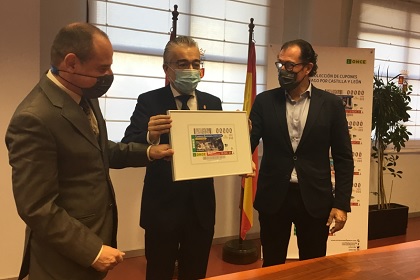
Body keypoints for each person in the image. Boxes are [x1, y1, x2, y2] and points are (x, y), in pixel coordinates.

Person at [5, 22, 173, 280]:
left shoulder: (83, 95)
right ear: (71, 63)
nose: (109, 74)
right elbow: (36, 206)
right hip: (63, 258)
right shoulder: (34, 118)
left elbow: (96, 148)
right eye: (102, 68)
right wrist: (92, 251)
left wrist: (149, 152)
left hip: (92, 238)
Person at [121, 36, 222, 280]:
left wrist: (238, 141)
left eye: (195, 63)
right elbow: (128, 143)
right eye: (182, 63)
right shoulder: (149, 100)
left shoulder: (213, 102)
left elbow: (219, 148)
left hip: (200, 206)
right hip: (162, 206)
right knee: (159, 271)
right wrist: (151, 135)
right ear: (167, 68)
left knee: (196, 271)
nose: (190, 70)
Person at [249, 39, 354, 266]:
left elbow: (343, 157)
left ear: (307, 68)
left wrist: (341, 203)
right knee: (272, 266)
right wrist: (236, 136)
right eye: (280, 65)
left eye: (290, 66)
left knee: (313, 266)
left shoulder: (331, 105)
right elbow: (248, 142)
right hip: (274, 196)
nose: (283, 71)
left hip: (315, 199)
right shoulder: (264, 101)